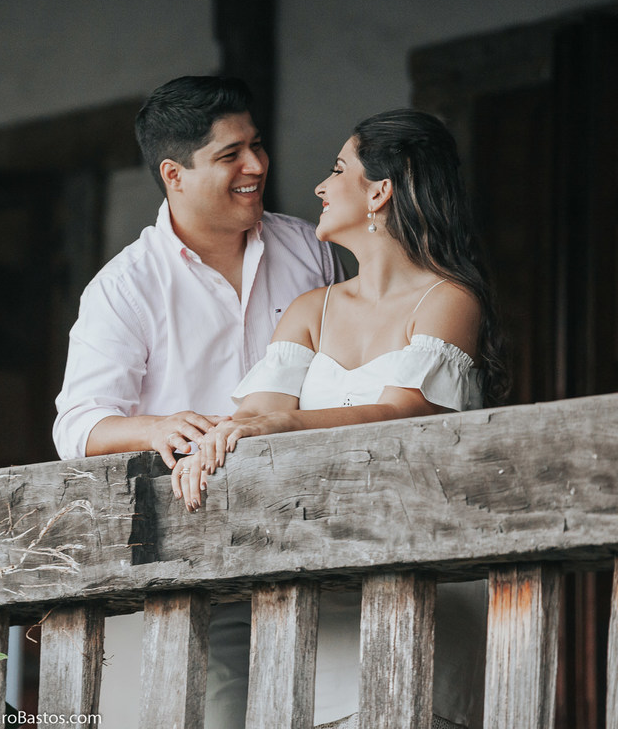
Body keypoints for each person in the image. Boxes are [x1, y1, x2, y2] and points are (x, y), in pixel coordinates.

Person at [174, 108, 506, 728]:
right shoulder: (310, 308)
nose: (321, 187)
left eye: (337, 170)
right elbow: (259, 415)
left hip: (419, 588)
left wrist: (282, 426)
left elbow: (405, 412)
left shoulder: (449, 299)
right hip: (317, 599)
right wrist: (215, 442)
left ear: (379, 191)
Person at [53, 75, 342, 728]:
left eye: (257, 146)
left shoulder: (310, 250)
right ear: (174, 174)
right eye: (230, 155)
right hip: (204, 565)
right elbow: (75, 427)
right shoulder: (124, 287)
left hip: (322, 540)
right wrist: (155, 426)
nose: (257, 166)